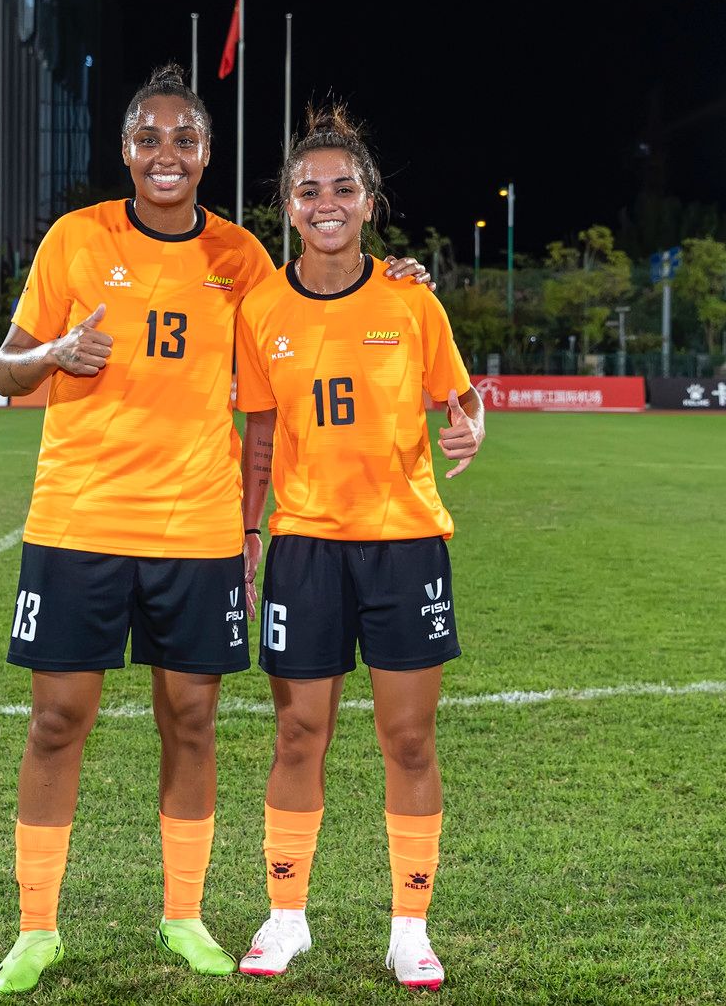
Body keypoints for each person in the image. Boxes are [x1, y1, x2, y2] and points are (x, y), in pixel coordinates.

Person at [0, 66, 433, 995]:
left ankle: (183, 913)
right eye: (148, 138)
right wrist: (53, 354)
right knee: (57, 719)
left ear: (206, 154)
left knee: (191, 720)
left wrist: (400, 280)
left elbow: (314, 312)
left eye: (183, 139)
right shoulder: (75, 240)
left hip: (197, 529)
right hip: (79, 517)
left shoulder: (240, 259)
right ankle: (36, 926)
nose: (165, 155)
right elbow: (4, 371)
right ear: (125, 151)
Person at [232, 103, 485, 991]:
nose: (326, 200)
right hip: (305, 547)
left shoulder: (412, 299)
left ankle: (409, 926)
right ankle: (285, 914)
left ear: (370, 201)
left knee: (409, 739)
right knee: (299, 733)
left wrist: (471, 426)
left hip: (407, 544)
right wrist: (250, 527)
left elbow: (460, 398)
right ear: (288, 206)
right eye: (309, 189)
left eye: (344, 186)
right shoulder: (262, 307)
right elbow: (258, 434)